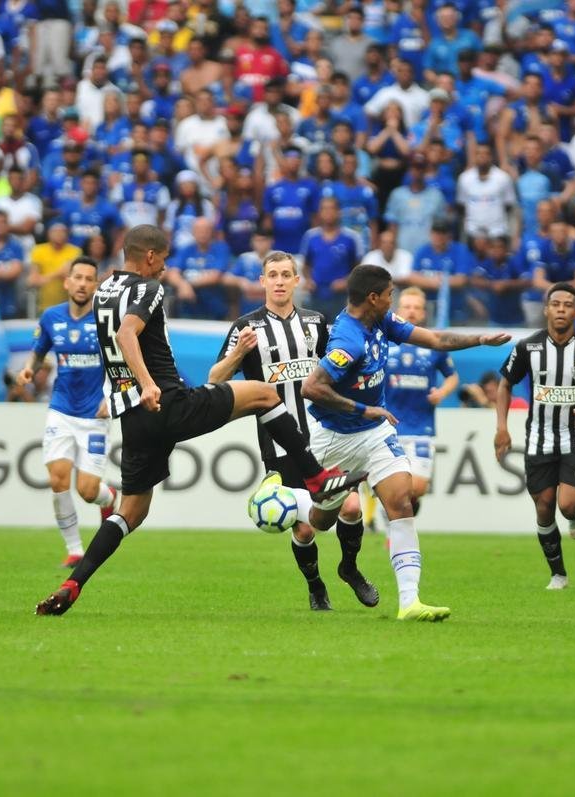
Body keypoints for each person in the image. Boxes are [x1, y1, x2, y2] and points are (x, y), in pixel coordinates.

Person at [35, 226, 366, 616]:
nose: (166, 267)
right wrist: (148, 383)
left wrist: (131, 388)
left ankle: (74, 584)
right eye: (165, 258)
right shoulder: (150, 289)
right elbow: (128, 334)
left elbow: (115, 343)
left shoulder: (104, 291)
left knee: (131, 512)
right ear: (151, 258)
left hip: (133, 418)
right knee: (263, 393)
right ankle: (316, 477)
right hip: (166, 402)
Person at [300, 264, 511, 621]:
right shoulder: (347, 341)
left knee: (401, 500)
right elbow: (312, 387)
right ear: (373, 298)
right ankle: (291, 508)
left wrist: (479, 339)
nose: (391, 299)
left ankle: (409, 602)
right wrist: (361, 407)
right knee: (320, 522)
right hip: (333, 438)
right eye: (389, 294)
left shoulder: (380, 321)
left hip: (374, 433)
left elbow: (434, 340)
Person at [208, 250, 370, 612]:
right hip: (279, 443)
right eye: (273, 275)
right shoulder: (245, 328)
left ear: (298, 281)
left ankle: (351, 568)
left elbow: (338, 371)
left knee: (353, 505)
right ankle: (315, 586)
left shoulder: (316, 323)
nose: (279, 281)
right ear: (262, 282)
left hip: (326, 436)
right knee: (305, 528)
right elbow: (214, 379)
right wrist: (238, 356)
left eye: (286, 274)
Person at [495, 283, 575, 589]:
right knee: (544, 504)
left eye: (568, 305)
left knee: (566, 504)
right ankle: (558, 574)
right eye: (556, 304)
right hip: (539, 436)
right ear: (546, 309)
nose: (561, 309)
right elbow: (505, 385)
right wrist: (502, 427)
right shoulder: (527, 347)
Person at [17, 258, 117, 568]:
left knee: (87, 491)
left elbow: (121, 362)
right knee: (58, 478)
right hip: (60, 409)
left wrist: (112, 398)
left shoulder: (105, 321)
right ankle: (74, 550)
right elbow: (38, 352)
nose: (83, 283)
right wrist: (28, 370)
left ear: (96, 285)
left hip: (95, 414)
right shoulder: (51, 317)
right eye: (78, 277)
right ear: (67, 282)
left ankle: (110, 496)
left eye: (90, 278)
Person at [384, 287, 458, 515]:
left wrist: (442, 393)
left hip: (421, 427)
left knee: (417, 487)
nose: (412, 311)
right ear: (398, 310)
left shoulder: (433, 344)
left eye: (417, 308)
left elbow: (452, 377)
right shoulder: (384, 341)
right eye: (407, 306)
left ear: (424, 313)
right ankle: (391, 519)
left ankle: (387, 508)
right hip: (388, 428)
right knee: (396, 489)